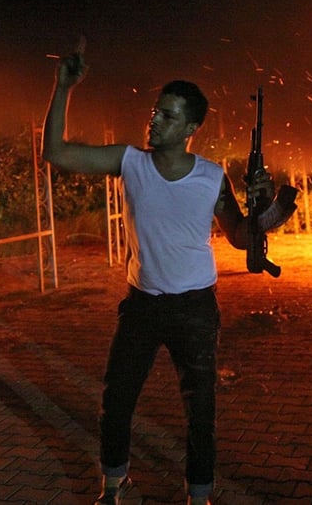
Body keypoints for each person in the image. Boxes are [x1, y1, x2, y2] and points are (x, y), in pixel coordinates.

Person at [42, 48, 292, 505]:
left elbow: (240, 237)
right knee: (116, 402)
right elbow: (56, 153)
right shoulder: (130, 162)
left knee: (201, 412)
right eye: (156, 111)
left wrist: (267, 206)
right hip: (142, 305)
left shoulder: (212, 178)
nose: (155, 121)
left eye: (169, 116)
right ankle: (113, 486)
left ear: (192, 129)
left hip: (195, 308)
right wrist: (63, 88)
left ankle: (200, 497)